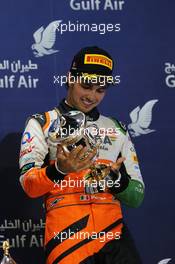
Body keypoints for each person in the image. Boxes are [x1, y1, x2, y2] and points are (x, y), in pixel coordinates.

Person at [19, 46, 145, 264]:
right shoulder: (41, 123)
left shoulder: (117, 129)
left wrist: (115, 180)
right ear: (70, 78)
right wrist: (59, 170)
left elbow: (137, 196)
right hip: (67, 234)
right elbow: (29, 186)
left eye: (100, 90)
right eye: (86, 86)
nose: (91, 96)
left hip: (113, 234)